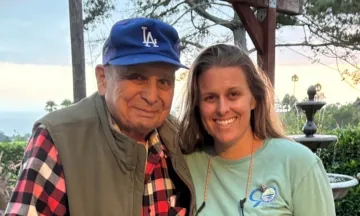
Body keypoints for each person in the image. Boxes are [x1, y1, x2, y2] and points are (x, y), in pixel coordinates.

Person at [5, 17, 196, 216]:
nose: (151, 96)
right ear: (103, 79)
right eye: (136, 77)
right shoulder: (59, 140)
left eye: (164, 81)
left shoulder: (178, 140)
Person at [179, 44, 335, 216]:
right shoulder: (184, 166)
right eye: (210, 97)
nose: (222, 109)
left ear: (254, 99)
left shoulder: (298, 164)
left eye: (233, 94)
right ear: (197, 105)